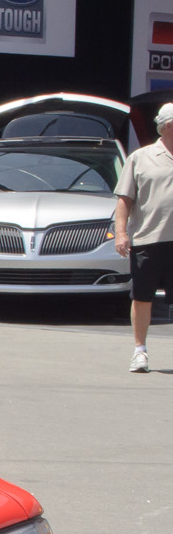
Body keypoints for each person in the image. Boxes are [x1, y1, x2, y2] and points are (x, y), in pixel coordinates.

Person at [114, 102, 173, 373]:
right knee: (143, 297)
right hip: (149, 239)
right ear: (167, 126)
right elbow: (125, 199)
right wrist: (121, 233)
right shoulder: (141, 157)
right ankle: (140, 352)